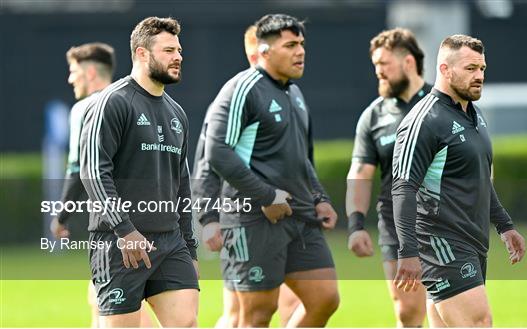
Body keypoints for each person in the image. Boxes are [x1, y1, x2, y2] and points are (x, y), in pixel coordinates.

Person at [204, 14, 340, 327]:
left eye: (301, 44)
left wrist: (319, 196)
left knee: (325, 299)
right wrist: (265, 195)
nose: (300, 52)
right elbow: (216, 152)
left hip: (300, 216)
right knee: (257, 315)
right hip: (254, 219)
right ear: (264, 51)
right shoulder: (243, 89)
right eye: (290, 45)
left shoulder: (294, 93)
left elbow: (302, 158)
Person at [392, 34, 526, 327]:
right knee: (480, 322)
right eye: (470, 69)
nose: (479, 76)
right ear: (444, 69)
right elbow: (403, 187)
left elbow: (477, 178)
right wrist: (408, 252)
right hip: (441, 243)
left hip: (473, 241)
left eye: (482, 69)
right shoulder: (425, 121)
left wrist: (504, 225)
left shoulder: (475, 115)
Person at [79, 17, 199, 328]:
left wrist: (189, 244)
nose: (178, 57)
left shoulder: (177, 113)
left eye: (180, 50)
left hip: (170, 242)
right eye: (169, 50)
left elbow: (182, 185)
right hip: (118, 242)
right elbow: (93, 172)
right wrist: (125, 231)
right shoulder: (112, 102)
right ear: (142, 54)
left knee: (185, 322)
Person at [192, 25, 304, 328]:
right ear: (255, 53)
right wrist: (208, 217)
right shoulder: (234, 98)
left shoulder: (288, 94)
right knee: (239, 313)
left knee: (289, 303)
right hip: (243, 217)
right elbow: (207, 160)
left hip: (284, 218)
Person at [345, 28, 430, 327]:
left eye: (385, 64)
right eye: (375, 66)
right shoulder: (373, 115)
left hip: (447, 222)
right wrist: (355, 225)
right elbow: (360, 173)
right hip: (397, 227)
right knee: (408, 312)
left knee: (449, 310)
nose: (378, 72)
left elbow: (479, 160)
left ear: (408, 62)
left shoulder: (442, 106)